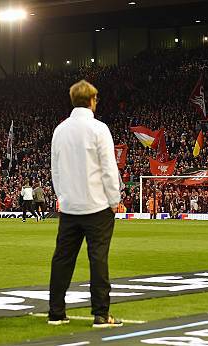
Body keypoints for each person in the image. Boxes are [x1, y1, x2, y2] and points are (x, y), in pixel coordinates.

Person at [49, 80, 122, 327]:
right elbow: (109, 169)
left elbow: (55, 170)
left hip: (70, 207)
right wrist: (115, 200)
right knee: (98, 259)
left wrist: (63, 196)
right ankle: (101, 314)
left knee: (62, 259)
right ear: (92, 100)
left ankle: (56, 312)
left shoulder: (60, 130)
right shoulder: (99, 129)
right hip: (97, 206)